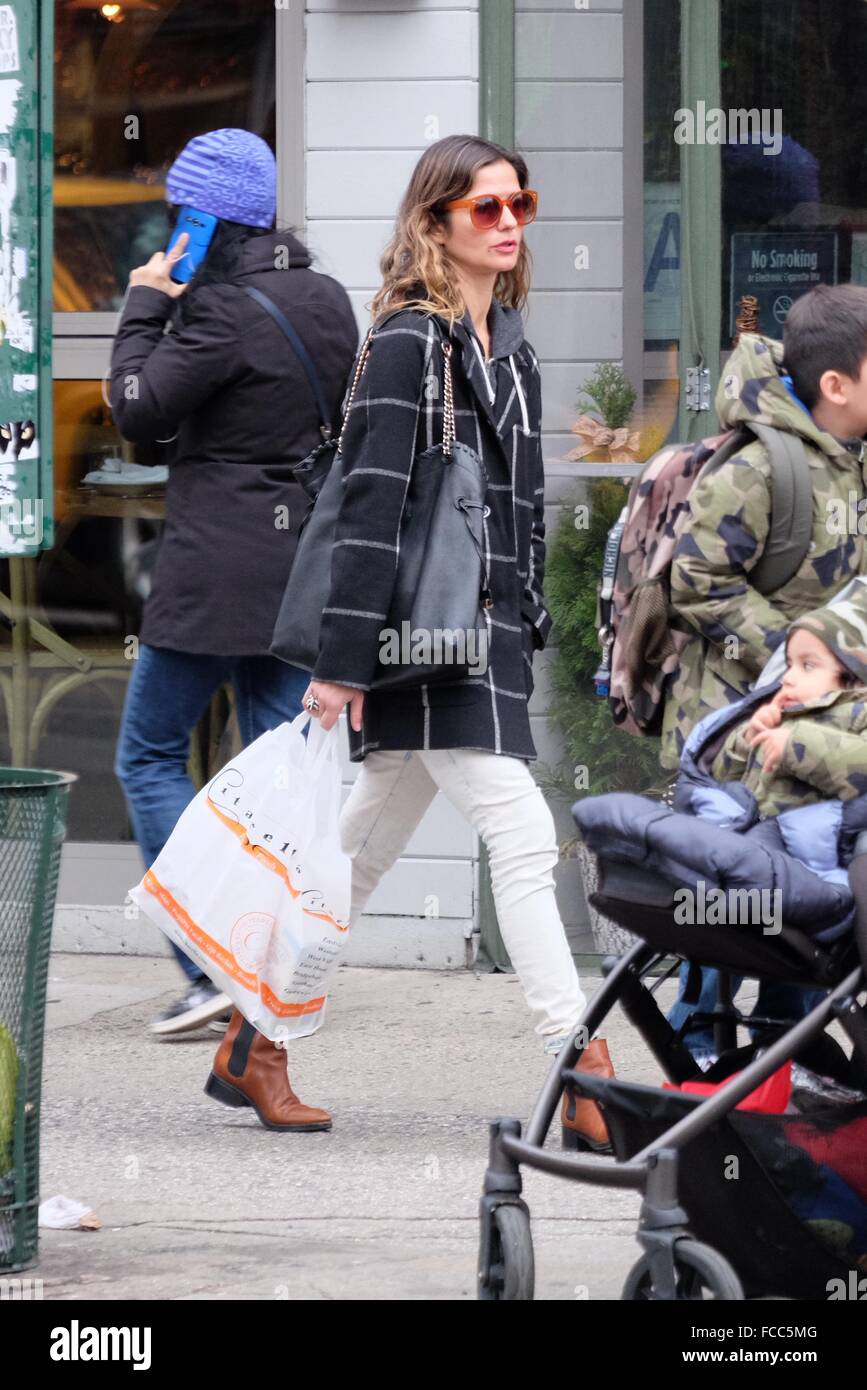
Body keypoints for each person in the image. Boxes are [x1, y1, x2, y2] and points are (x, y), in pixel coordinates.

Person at [204, 134, 612, 1148]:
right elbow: (369, 508)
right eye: (486, 208)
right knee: (521, 839)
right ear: (436, 223)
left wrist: (531, 624)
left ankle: (255, 1038)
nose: (510, 223)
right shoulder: (406, 343)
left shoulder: (504, 344)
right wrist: (342, 666)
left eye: (521, 202)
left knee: (354, 859)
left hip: (487, 638)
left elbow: (515, 503)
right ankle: (587, 1071)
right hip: (426, 639)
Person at [110, 129, 359, 1036]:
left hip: (215, 571)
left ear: (204, 218)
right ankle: (262, 965)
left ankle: (208, 963)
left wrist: (143, 305)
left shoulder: (213, 313)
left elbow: (138, 409)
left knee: (145, 755)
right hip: (301, 574)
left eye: (184, 210)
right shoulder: (328, 298)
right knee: (272, 779)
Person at [664, 284, 867, 1058]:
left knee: (800, 913)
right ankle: (695, 1067)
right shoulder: (758, 467)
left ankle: (786, 1065)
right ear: (835, 386)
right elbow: (696, 580)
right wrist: (795, 651)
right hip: (735, 738)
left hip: (814, 736)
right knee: (719, 924)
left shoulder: (849, 459)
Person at [667, 598, 867, 1060]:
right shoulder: (783, 713)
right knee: (716, 905)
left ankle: (780, 1051)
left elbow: (856, 764)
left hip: (821, 876)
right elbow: (731, 783)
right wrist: (746, 738)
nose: (789, 676)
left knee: (790, 982)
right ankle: (701, 1046)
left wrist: (796, 743)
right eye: (789, 663)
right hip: (765, 860)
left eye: (808, 665)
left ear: (851, 677)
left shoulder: (856, 716)